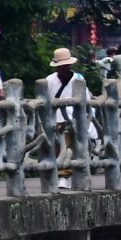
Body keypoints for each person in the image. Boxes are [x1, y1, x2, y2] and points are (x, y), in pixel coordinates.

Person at [43, 48, 90, 186]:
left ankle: (65, 175)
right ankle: (57, 173)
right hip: (55, 118)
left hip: (72, 118)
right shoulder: (49, 80)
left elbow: (85, 97)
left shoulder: (78, 79)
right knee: (56, 147)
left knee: (69, 147)